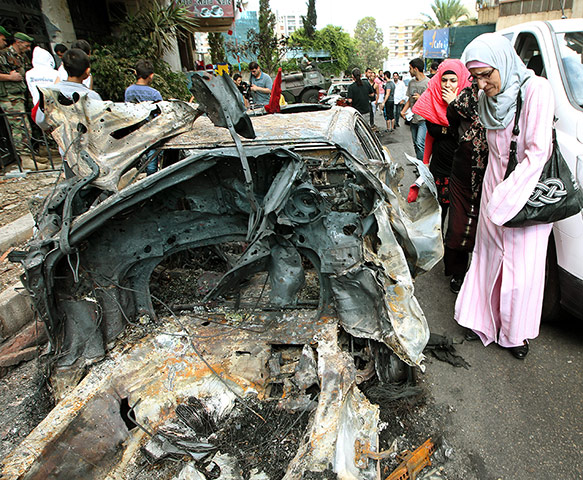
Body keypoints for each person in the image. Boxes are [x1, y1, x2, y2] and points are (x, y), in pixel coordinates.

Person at [455, 33, 555, 359]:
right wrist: (491, 196)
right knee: (487, 256)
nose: (482, 84)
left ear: (503, 62)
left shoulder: (536, 90)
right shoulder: (488, 99)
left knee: (521, 269)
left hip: (524, 190)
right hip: (493, 185)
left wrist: (507, 200)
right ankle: (483, 319)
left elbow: (538, 154)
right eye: (476, 77)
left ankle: (514, 335)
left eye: (487, 74)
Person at [410, 60, 472, 230]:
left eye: (453, 80)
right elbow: (430, 135)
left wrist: (454, 104)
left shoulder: (469, 103)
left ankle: (454, 252)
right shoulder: (432, 99)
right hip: (439, 168)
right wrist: (425, 164)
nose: (447, 85)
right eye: (444, 80)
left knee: (458, 218)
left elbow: (467, 133)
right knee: (437, 215)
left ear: (461, 80)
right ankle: (437, 249)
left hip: (461, 169)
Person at [444, 82, 489, 294]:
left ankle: (482, 276)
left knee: (486, 230)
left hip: (492, 175)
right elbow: (452, 127)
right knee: (459, 226)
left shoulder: (503, 103)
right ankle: (458, 273)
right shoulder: (462, 101)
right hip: (462, 171)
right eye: (476, 76)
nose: (482, 83)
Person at [0, 31, 34, 162]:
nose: (28, 49)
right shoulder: (4, 54)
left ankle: (29, 155)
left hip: (18, 95)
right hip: (8, 97)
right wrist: (10, 77)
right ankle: (25, 158)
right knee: (19, 126)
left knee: (24, 125)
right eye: (26, 45)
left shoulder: (21, 56)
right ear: (18, 42)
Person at [400, 58, 429, 161]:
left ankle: (423, 168)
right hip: (413, 118)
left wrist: (421, 98)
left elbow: (431, 102)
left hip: (423, 119)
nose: (409, 71)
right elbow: (409, 100)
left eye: (410, 68)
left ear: (416, 69)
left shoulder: (428, 83)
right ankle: (419, 164)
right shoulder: (411, 83)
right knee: (416, 144)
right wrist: (403, 111)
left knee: (420, 143)